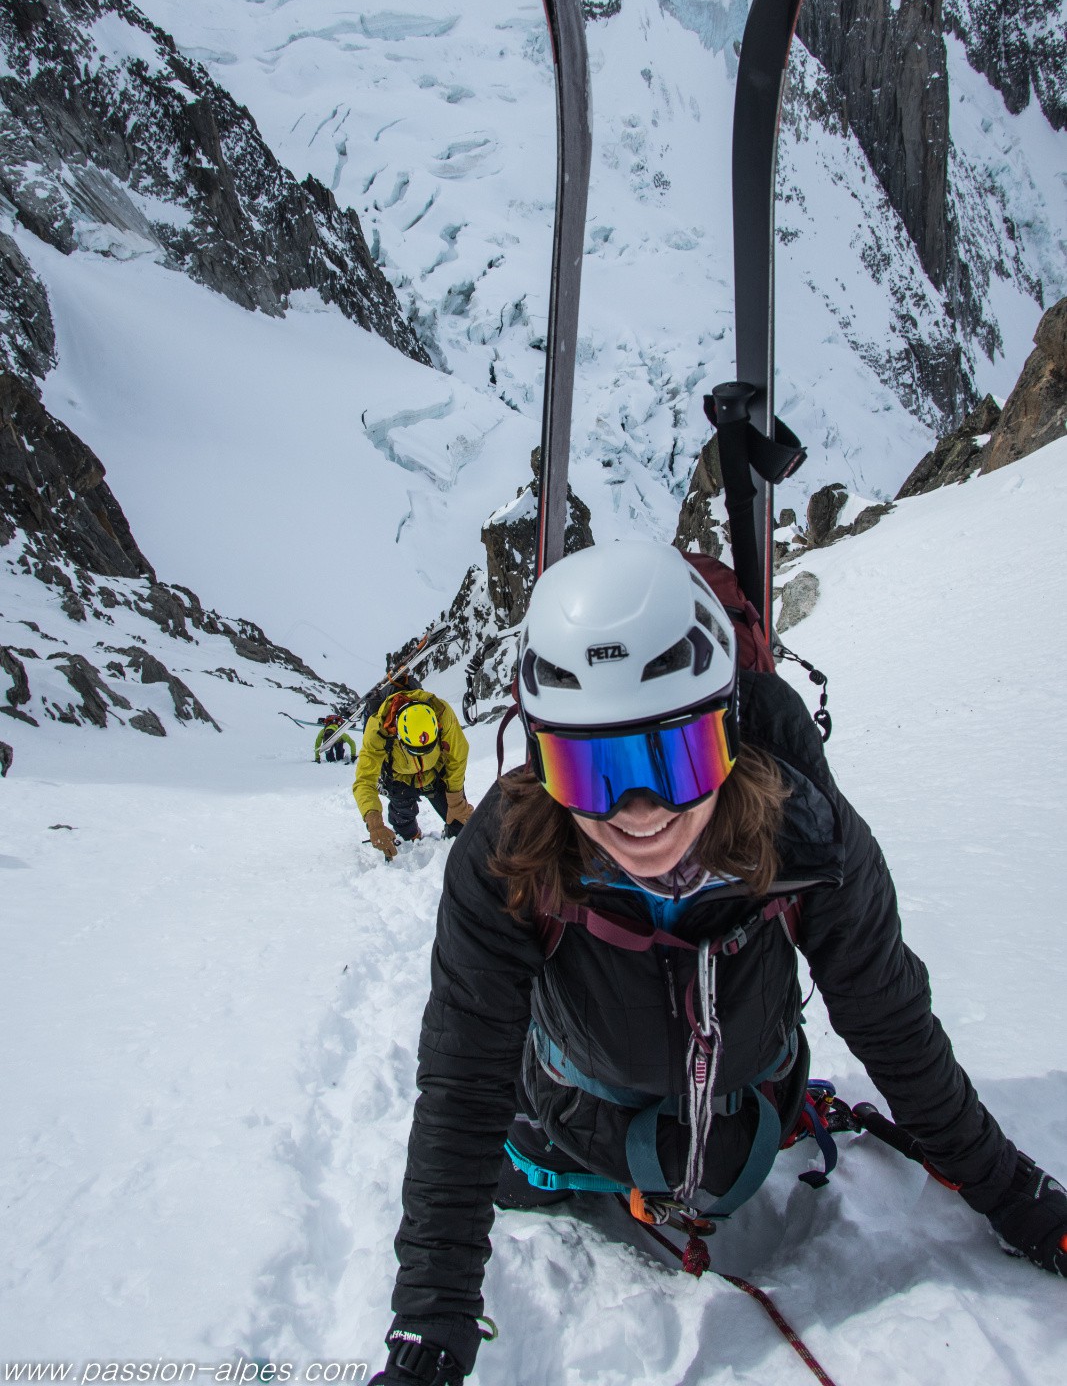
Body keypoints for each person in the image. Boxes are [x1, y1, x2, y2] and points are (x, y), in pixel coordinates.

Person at [368, 539, 1066, 1385]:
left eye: (675, 757)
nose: (639, 814)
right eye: (592, 769)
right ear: (541, 763)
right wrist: (431, 1322)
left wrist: (1018, 1201)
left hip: (743, 1124)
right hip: (591, 1123)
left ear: (731, 731)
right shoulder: (504, 859)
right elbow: (463, 1078)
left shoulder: (807, 838)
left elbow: (891, 1024)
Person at [355, 687, 474, 860]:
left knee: (461, 826)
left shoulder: (442, 713)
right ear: (398, 735)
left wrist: (456, 800)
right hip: (399, 779)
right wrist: (374, 822)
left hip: (436, 773)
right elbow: (364, 779)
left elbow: (458, 755)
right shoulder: (378, 729)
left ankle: (451, 834)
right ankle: (411, 836)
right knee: (404, 825)